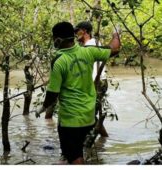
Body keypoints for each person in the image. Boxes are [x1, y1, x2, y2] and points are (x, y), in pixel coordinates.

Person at [34, 21, 121, 164]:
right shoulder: (88, 51)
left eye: (53, 38)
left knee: (75, 159)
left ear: (58, 39)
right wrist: (116, 34)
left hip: (70, 121)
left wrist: (43, 107)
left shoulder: (59, 61)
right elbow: (114, 48)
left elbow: (53, 93)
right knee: (78, 153)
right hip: (89, 118)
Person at [74, 21, 109, 137]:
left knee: (87, 113)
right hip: (94, 83)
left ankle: (93, 141)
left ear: (84, 31)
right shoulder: (89, 45)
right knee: (89, 113)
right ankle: (103, 138)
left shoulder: (91, 45)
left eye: (77, 31)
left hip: (97, 82)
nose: (75, 34)